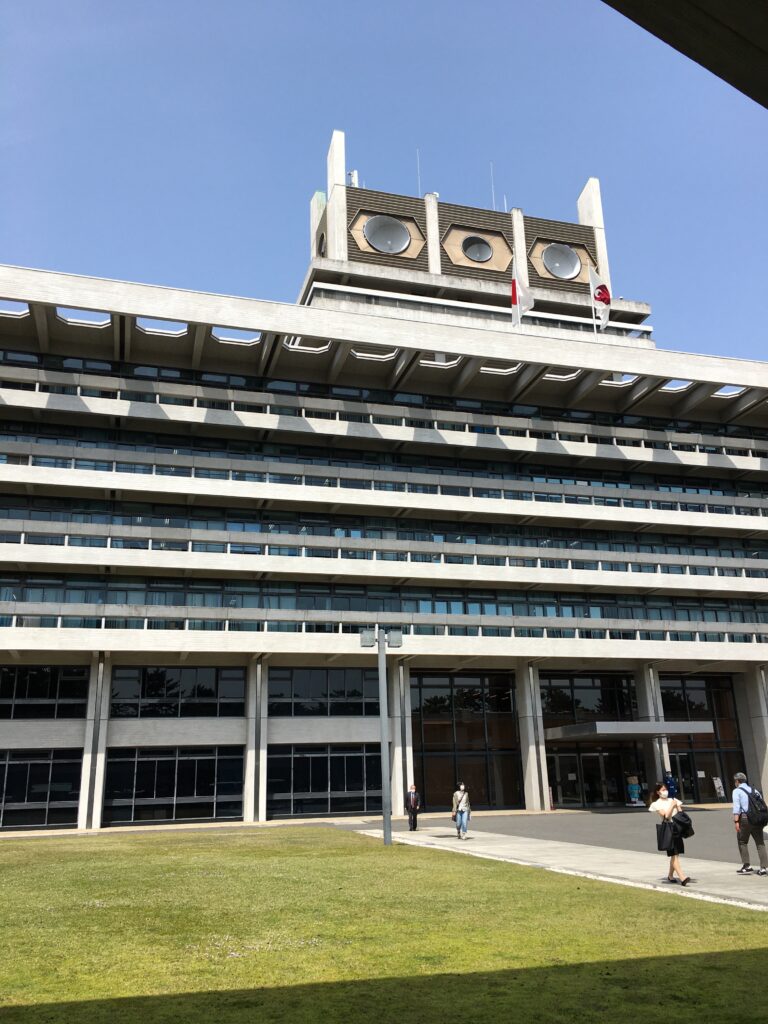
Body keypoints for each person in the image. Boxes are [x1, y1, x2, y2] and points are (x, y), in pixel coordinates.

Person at [648, 781, 690, 885]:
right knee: (674, 854)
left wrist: (677, 806)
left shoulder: (673, 800)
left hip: (677, 828)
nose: (665, 791)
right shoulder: (656, 804)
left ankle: (670, 876)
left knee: (675, 854)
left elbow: (681, 813)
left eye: (665, 789)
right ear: (658, 792)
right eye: (663, 790)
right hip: (668, 828)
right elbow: (666, 816)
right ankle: (682, 877)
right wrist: (672, 805)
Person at [731, 771, 768, 875]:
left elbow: (736, 807)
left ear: (737, 781)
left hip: (745, 818)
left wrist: (736, 821)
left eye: (735, 781)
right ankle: (763, 868)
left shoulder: (737, 791)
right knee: (760, 843)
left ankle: (747, 865)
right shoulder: (754, 790)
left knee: (742, 841)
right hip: (758, 819)